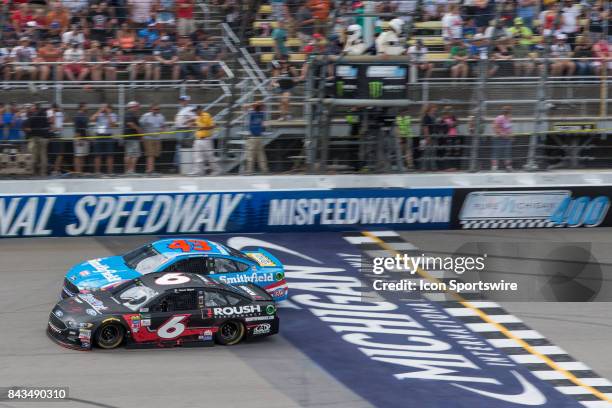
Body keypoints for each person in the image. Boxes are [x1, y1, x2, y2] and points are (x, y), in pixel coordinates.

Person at [23, 103, 51, 176]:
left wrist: (30, 128)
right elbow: (48, 125)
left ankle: (33, 172)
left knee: (34, 156)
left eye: (33, 107)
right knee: (43, 156)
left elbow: (28, 126)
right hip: (44, 138)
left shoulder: (34, 116)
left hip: (36, 138)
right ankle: (43, 172)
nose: (32, 108)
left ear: (35, 108)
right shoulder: (44, 115)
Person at [193, 105, 220, 176]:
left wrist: (204, 128)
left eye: (196, 110)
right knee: (198, 156)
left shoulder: (207, 115)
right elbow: (197, 126)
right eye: (194, 111)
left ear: (200, 109)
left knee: (210, 156)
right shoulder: (196, 117)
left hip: (206, 139)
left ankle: (216, 171)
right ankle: (199, 172)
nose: (195, 112)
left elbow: (213, 126)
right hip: (198, 139)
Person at [91, 103, 118, 174]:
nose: (104, 109)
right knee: (97, 155)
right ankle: (97, 172)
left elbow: (113, 125)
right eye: (103, 107)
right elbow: (92, 119)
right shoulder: (99, 114)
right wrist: (99, 111)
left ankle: (110, 172)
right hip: (98, 136)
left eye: (106, 107)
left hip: (108, 136)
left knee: (110, 155)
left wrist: (108, 114)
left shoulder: (113, 115)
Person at [139, 104, 166, 174]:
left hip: (157, 137)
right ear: (150, 109)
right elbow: (140, 126)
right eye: (155, 109)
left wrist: (162, 130)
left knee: (154, 154)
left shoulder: (161, 116)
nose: (157, 111)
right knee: (150, 154)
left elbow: (163, 126)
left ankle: (150, 170)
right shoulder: (146, 116)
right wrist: (141, 136)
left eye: (158, 109)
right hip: (148, 137)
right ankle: (150, 170)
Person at [245, 102, 268, 174]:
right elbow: (265, 125)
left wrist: (252, 104)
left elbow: (244, 106)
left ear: (254, 107)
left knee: (250, 155)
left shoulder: (252, 113)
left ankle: (249, 171)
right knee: (261, 154)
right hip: (259, 137)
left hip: (252, 137)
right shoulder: (262, 114)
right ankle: (264, 170)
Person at [174, 95, 196, 172]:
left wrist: (188, 123)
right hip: (180, 129)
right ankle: (178, 165)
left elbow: (194, 118)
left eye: (183, 100)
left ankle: (180, 165)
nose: (181, 102)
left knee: (182, 147)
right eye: (181, 100)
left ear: (187, 101)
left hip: (184, 130)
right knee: (179, 147)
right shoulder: (182, 109)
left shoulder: (190, 108)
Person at [123, 101, 143, 175]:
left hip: (132, 137)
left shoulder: (130, 114)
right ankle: (130, 171)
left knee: (131, 154)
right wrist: (139, 130)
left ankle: (129, 171)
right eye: (137, 107)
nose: (138, 108)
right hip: (132, 137)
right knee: (132, 154)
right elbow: (130, 123)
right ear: (132, 107)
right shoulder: (129, 114)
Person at [492, 106, 513, 171]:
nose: (510, 112)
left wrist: (510, 136)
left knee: (507, 152)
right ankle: (494, 167)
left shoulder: (508, 118)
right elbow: (495, 127)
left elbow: (508, 128)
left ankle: (508, 166)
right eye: (509, 111)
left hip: (507, 139)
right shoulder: (499, 118)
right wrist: (502, 134)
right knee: (497, 152)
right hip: (499, 138)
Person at [47, 104, 66, 175]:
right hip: (53, 135)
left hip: (57, 135)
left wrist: (61, 112)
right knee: (57, 154)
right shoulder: (49, 112)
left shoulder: (59, 113)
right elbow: (52, 125)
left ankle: (56, 169)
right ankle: (55, 170)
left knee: (59, 153)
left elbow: (64, 120)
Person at [73, 102, 89, 174]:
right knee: (78, 155)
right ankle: (78, 172)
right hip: (79, 138)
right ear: (82, 107)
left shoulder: (84, 115)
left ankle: (80, 172)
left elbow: (86, 128)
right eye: (86, 106)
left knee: (82, 156)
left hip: (84, 138)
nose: (87, 108)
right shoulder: (78, 116)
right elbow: (77, 128)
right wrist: (79, 139)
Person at [420, 104, 437, 171]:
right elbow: (425, 128)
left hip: (433, 136)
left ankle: (433, 167)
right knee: (426, 152)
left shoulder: (433, 116)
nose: (435, 110)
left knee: (433, 152)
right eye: (434, 108)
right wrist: (427, 137)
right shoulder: (426, 117)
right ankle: (423, 167)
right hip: (428, 136)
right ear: (430, 109)